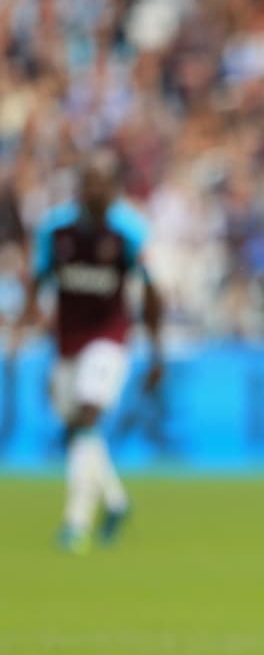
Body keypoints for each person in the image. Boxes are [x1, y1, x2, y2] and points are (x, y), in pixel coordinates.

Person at [7, 149, 164, 555]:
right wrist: (20, 332)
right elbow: (38, 281)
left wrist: (158, 351)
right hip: (66, 341)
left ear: (113, 188)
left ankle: (75, 525)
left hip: (109, 338)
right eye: (90, 181)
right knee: (79, 429)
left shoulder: (129, 230)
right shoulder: (56, 230)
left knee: (86, 415)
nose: (96, 189)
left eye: (103, 182)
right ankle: (116, 501)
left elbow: (151, 292)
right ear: (81, 186)